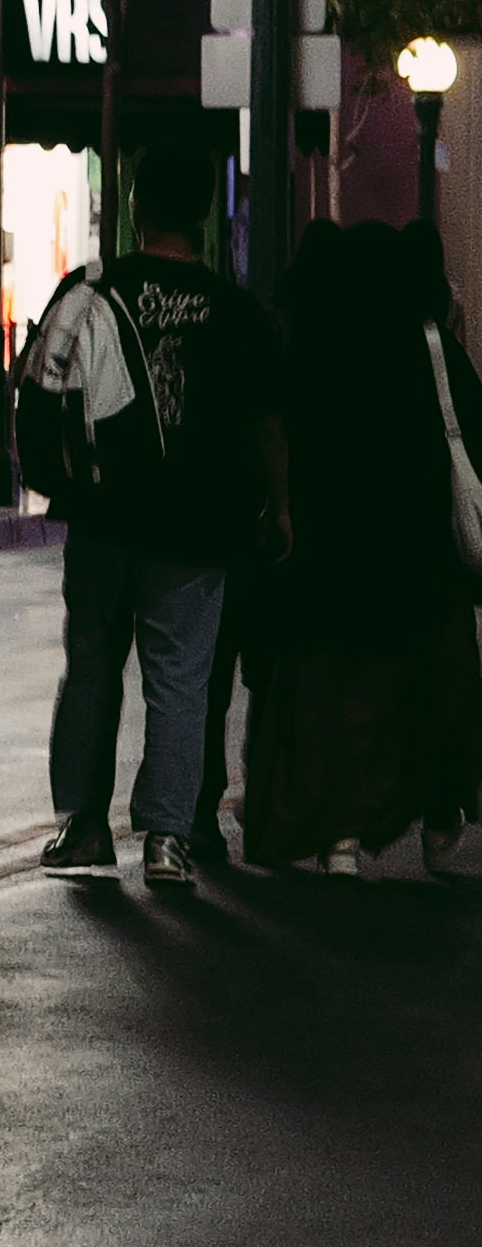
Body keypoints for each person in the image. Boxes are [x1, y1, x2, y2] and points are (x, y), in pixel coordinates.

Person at [20, 103, 279, 901]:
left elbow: (43, 386)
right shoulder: (235, 311)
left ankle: (84, 826)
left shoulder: (97, 291)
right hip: (199, 526)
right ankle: (168, 839)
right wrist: (281, 504)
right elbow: (267, 419)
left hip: (105, 517)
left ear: (134, 204)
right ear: (205, 211)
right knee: (181, 680)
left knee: (92, 665)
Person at [233, 210, 481, 872]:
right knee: (431, 694)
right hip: (418, 556)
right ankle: (434, 818)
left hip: (327, 551)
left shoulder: (317, 348)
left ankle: (337, 835)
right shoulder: (431, 347)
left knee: (331, 694)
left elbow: (276, 435)